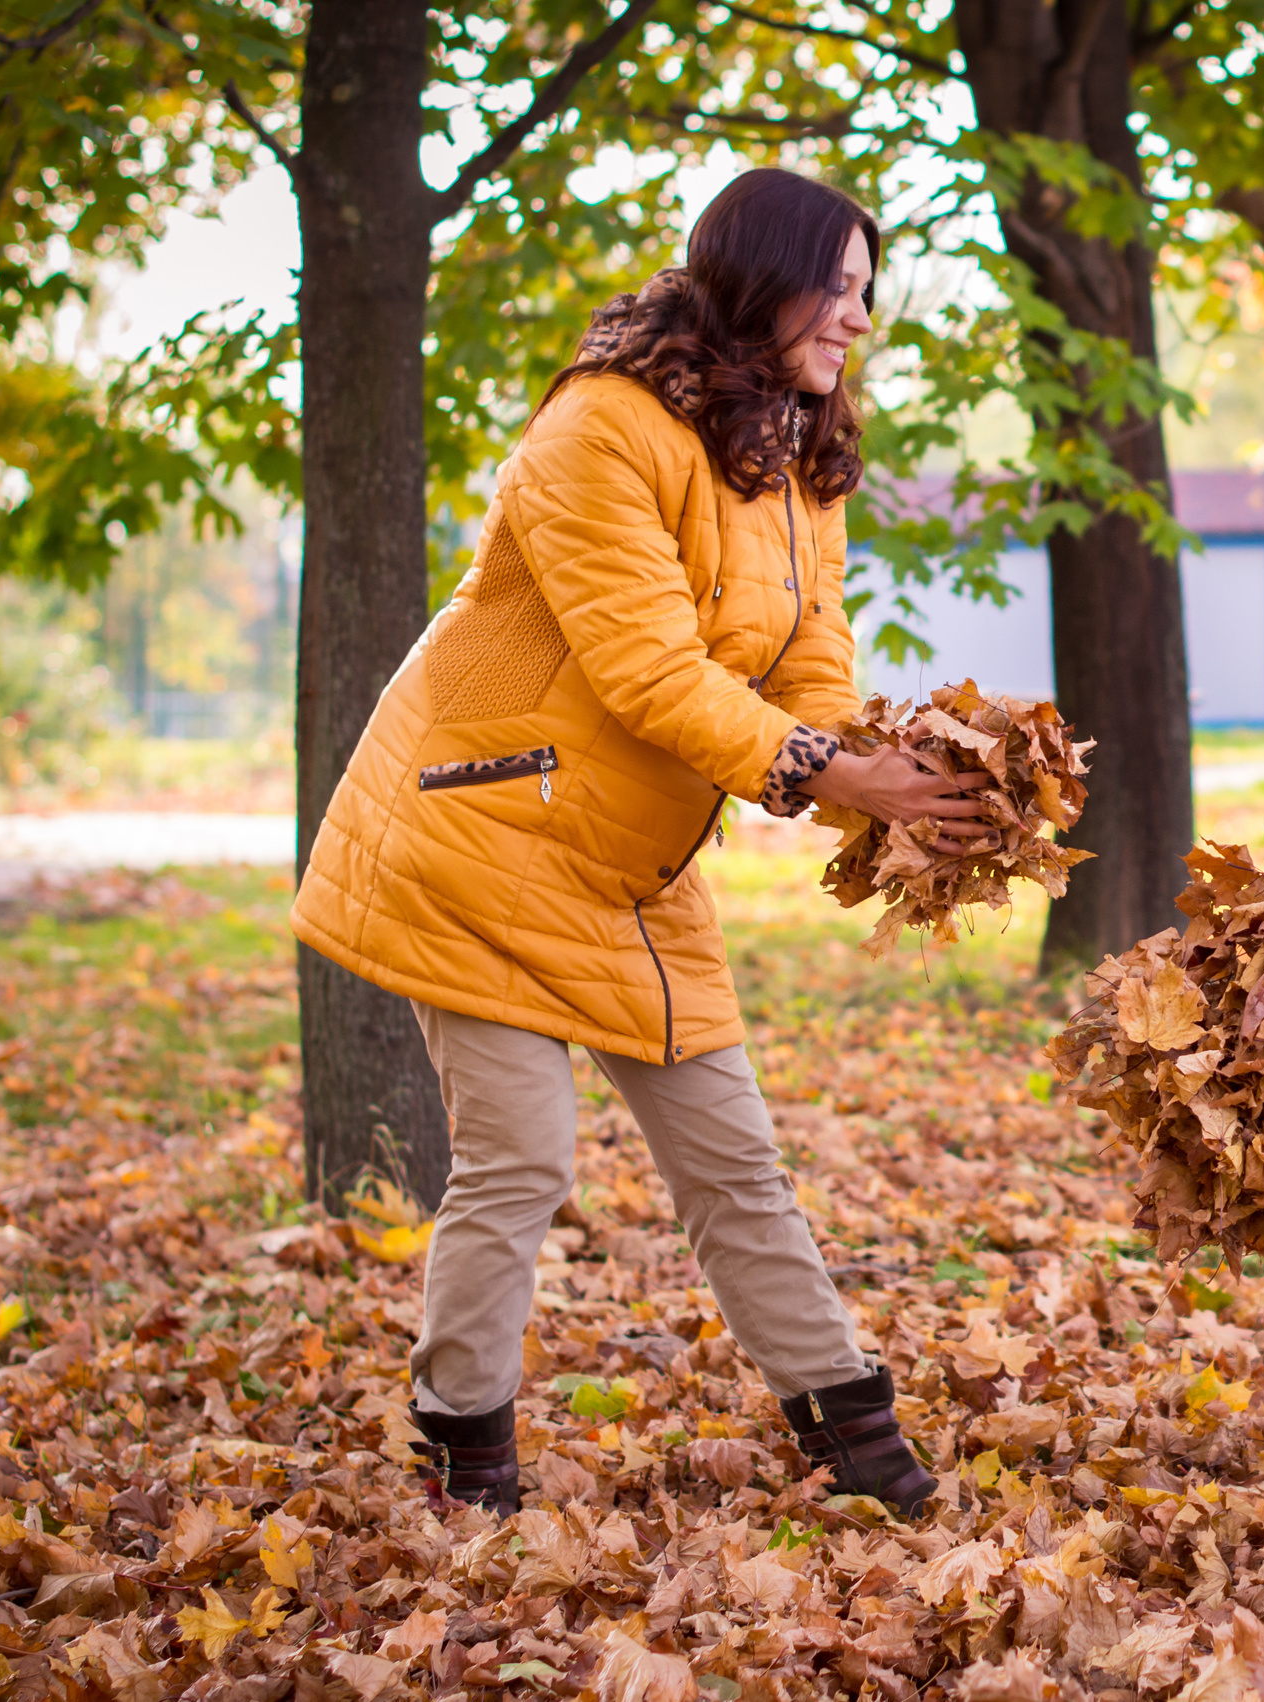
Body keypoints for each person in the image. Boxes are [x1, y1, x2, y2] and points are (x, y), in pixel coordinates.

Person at [292, 168, 980, 1518]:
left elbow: (812, 659)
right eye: (834, 287)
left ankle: (852, 1432)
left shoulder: (796, 451)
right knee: (521, 1158)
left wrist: (894, 768)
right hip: (480, 829)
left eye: (866, 292)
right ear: (756, 278)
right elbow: (647, 674)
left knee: (733, 1156)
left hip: (629, 861)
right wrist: (838, 778)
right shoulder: (600, 428)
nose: (857, 320)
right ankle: (463, 1450)